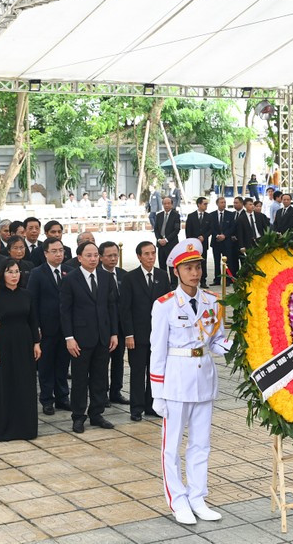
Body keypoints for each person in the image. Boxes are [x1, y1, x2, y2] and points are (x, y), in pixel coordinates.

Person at [151, 238, 231, 525]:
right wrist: (157, 393)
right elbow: (157, 351)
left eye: (197, 266)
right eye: (188, 268)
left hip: (204, 378)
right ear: (176, 271)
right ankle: (178, 500)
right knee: (171, 447)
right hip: (175, 380)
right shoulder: (164, 305)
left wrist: (238, 347)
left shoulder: (212, 300)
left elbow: (217, 341)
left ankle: (198, 496)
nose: (195, 273)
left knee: (201, 444)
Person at [60, 241, 118, 433]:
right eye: (89, 255)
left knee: (100, 377)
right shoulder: (70, 279)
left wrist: (114, 333)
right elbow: (65, 311)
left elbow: (111, 307)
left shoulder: (105, 276)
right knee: (79, 379)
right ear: (79, 258)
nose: (93, 259)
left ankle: (96, 413)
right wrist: (69, 337)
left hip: (102, 336)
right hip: (80, 338)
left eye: (95, 255)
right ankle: (78, 416)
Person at [0, 259, 41, 441]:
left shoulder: (27, 295)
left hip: (25, 342)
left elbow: (33, 321)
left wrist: (36, 343)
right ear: (2, 275)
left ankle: (27, 428)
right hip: (4, 343)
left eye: (17, 272)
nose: (14, 275)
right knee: (6, 384)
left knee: (26, 383)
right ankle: (5, 428)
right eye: (10, 272)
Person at [120, 241, 170, 421]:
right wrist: (129, 334)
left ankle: (151, 405)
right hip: (138, 335)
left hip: (158, 335)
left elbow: (168, 305)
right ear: (139, 257)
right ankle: (136, 408)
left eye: (153, 253)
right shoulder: (130, 278)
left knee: (155, 371)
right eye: (146, 254)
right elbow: (125, 309)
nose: (150, 257)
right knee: (137, 372)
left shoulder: (163, 276)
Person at [28, 237, 73, 415]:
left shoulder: (70, 272)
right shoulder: (37, 273)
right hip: (46, 328)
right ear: (46, 253)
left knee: (63, 364)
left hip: (66, 328)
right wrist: (35, 326)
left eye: (61, 250)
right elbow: (32, 302)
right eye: (54, 251)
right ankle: (47, 399)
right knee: (46, 366)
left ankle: (63, 396)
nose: (58, 254)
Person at [98, 241, 128, 407]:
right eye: (109, 256)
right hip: (103, 327)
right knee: (102, 362)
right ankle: (101, 394)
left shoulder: (123, 275)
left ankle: (116, 392)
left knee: (118, 361)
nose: (113, 258)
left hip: (121, 327)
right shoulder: (96, 275)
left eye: (115, 255)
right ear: (101, 257)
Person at [184, 197, 212, 288]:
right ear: (199, 204)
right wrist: (192, 241)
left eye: (207, 204)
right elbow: (188, 231)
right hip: (193, 244)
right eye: (204, 204)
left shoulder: (208, 216)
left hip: (203, 243)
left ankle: (203, 280)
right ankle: (192, 279)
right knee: (193, 262)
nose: (206, 206)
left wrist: (204, 236)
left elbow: (210, 229)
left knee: (203, 262)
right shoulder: (191, 216)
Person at [154, 197, 181, 288]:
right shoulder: (159, 215)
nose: (166, 205)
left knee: (172, 265)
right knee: (162, 265)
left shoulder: (176, 215)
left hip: (171, 244)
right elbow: (156, 229)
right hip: (160, 244)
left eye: (168, 203)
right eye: (165, 203)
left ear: (172, 204)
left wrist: (166, 240)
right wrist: (159, 239)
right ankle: (163, 283)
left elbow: (176, 230)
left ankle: (173, 284)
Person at [208, 196, 234, 286]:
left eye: (224, 202)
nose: (224, 204)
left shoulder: (230, 215)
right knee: (216, 261)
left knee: (227, 261)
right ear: (217, 204)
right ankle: (217, 279)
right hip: (216, 242)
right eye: (222, 202)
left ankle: (227, 279)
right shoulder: (211, 215)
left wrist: (225, 235)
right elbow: (211, 227)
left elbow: (232, 227)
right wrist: (217, 235)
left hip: (226, 242)